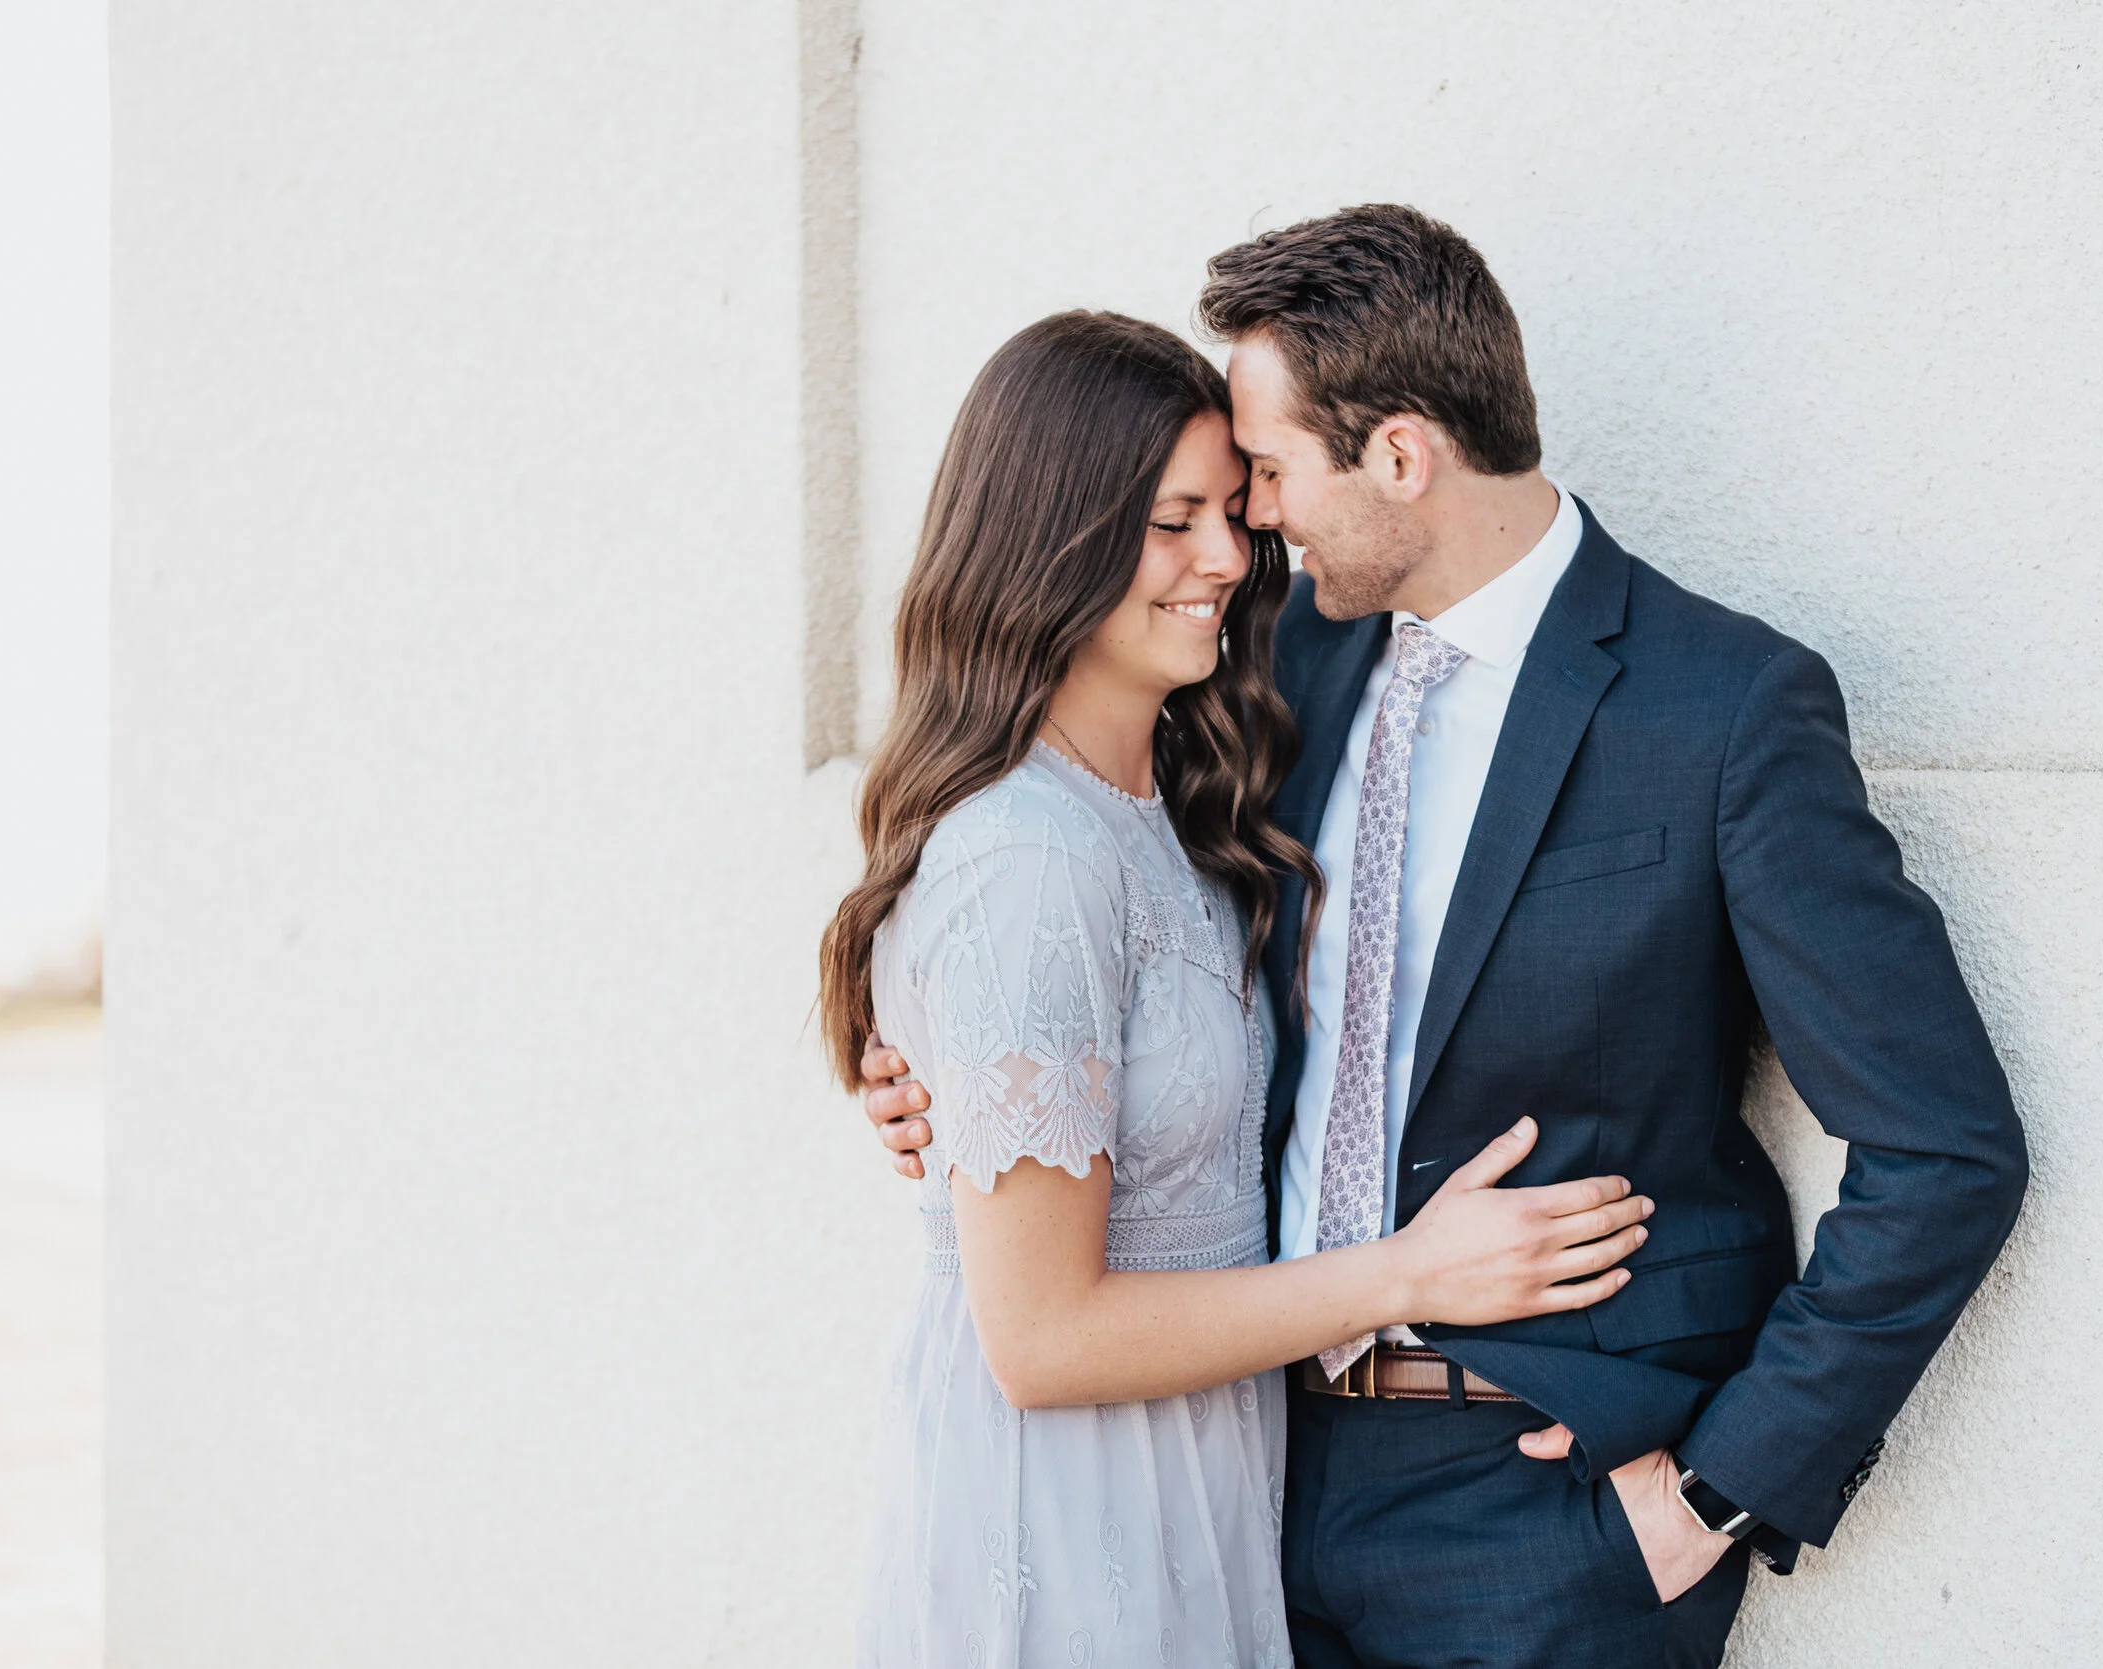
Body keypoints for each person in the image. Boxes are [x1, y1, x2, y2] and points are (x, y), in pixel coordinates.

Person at [861, 207, 2029, 1669]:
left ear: (1400, 457)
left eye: (1269, 478)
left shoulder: (1721, 711)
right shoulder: (1270, 670)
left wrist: (1718, 1493)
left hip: (1545, 1525)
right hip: (1245, 1488)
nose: (1250, 531)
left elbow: (1947, 1146)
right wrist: (927, 1072)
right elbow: (1068, 927)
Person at [819, 310, 1659, 1669]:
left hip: (1209, 1479)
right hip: (1072, 1503)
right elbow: (1038, 1337)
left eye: (1236, 512)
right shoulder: (1023, 854)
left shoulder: (1177, 803)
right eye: (1174, 522)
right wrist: (1404, 1275)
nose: (1228, 557)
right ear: (1051, 539)